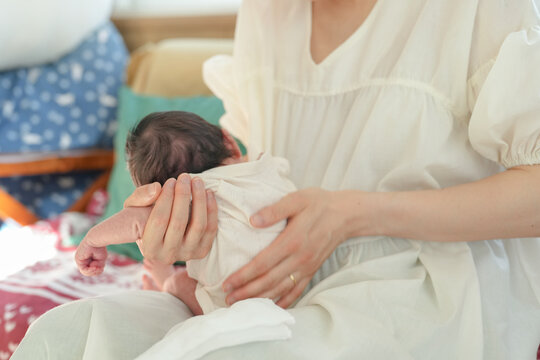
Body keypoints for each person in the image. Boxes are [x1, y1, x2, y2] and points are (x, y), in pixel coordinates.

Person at [12, 0, 540, 359]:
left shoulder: (475, 11)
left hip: (417, 295)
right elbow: (235, 166)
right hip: (261, 288)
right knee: (64, 339)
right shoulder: (268, 12)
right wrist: (175, 247)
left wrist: (351, 214)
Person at [75, 110, 296, 315]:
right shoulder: (268, 167)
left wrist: (93, 239)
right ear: (229, 141)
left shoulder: (188, 196)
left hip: (238, 304)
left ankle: (166, 282)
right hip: (296, 285)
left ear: (158, 196)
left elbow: (136, 221)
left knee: (182, 283)